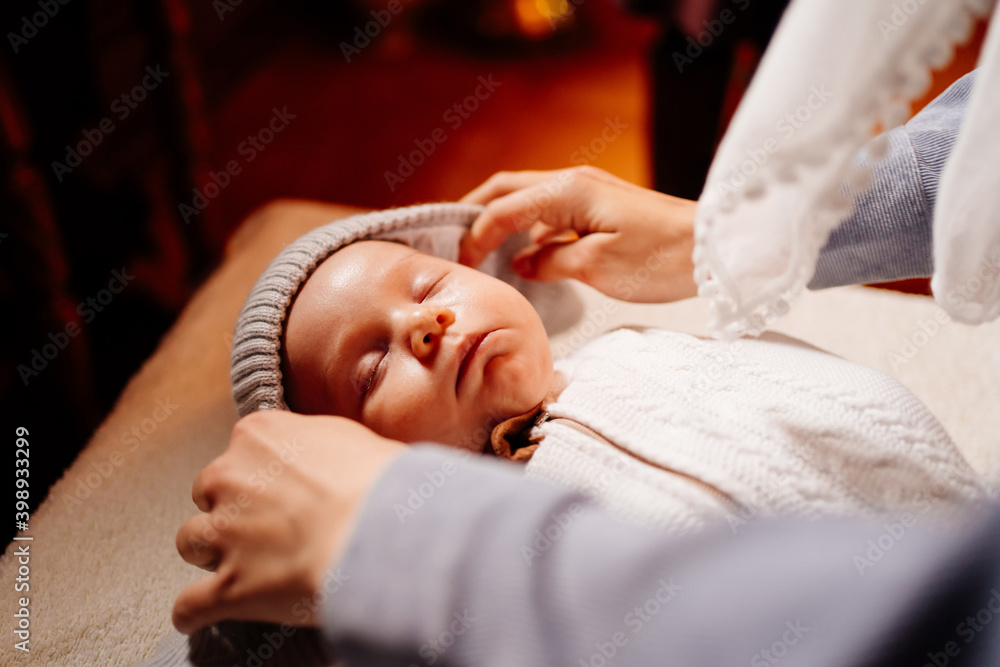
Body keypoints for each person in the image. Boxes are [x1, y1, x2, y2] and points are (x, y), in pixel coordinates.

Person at [168, 71, 1000, 665]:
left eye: (427, 285)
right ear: (349, 461)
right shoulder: (472, 572)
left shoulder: (633, 345)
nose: (421, 325)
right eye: (370, 368)